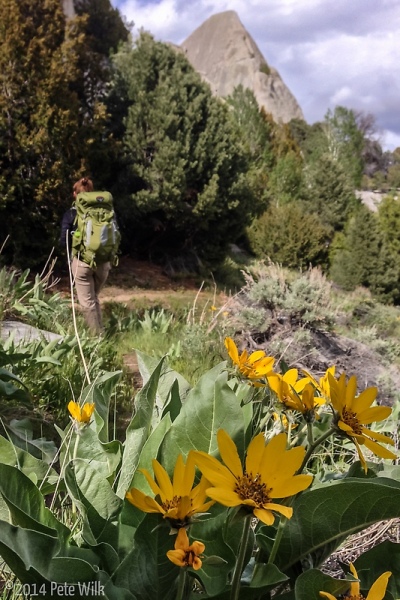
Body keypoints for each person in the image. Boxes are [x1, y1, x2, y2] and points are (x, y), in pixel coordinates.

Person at [60, 177, 111, 334]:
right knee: (94, 297)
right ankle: (101, 332)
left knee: (87, 302)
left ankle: (96, 339)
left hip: (82, 262)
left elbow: (63, 240)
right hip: (103, 262)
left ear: (75, 194)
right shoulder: (106, 212)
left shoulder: (71, 214)